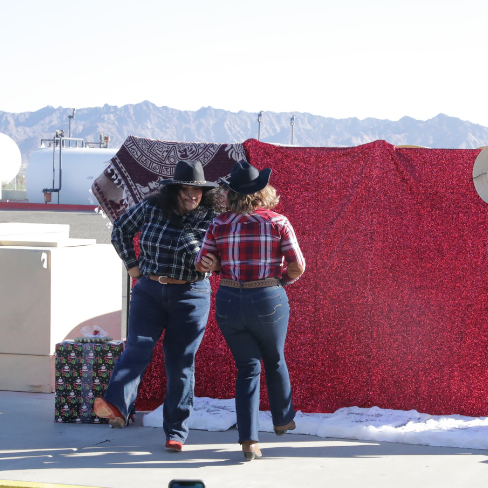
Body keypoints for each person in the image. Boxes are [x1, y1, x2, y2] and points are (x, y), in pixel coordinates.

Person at [94, 160, 222, 453]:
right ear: (173, 190)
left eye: (198, 191)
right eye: (186, 190)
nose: (192, 196)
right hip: (149, 291)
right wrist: (132, 266)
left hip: (191, 295)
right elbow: (121, 231)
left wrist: (214, 263)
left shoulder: (213, 217)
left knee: (180, 364)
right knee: (137, 348)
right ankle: (115, 406)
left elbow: (224, 254)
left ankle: (176, 433)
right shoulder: (152, 207)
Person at [195, 161, 306, 461]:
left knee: (247, 370)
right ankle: (282, 418)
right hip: (267, 296)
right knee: (274, 358)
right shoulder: (278, 221)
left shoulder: (219, 224)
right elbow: (298, 265)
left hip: (229, 299)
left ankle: (249, 441)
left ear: (231, 195)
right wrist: (281, 281)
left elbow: (202, 263)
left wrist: (218, 265)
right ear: (262, 191)